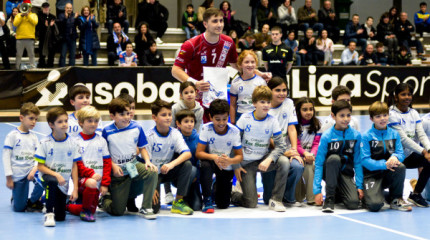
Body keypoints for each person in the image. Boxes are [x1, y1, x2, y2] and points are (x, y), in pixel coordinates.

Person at [172, 8, 241, 123]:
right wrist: (195, 83)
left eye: (221, 21)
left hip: (218, 97)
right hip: (197, 97)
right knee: (196, 133)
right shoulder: (191, 44)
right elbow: (175, 70)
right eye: (215, 21)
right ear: (205, 24)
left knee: (218, 132)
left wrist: (258, 73)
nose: (219, 25)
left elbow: (237, 65)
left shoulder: (228, 42)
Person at [231, 85, 289, 211]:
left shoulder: (272, 121)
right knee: (251, 203)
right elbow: (233, 144)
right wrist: (236, 166)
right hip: (246, 165)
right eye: (262, 102)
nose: (266, 105)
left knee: (284, 161)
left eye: (268, 102)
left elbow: (281, 146)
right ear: (254, 103)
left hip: (263, 160)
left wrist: (269, 159)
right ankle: (233, 194)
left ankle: (276, 200)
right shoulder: (245, 119)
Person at [100, 98, 158, 218]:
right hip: (117, 171)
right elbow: (104, 154)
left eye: (128, 113)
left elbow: (142, 148)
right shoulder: (107, 131)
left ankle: (146, 208)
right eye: (122, 114)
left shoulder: (137, 127)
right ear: (112, 116)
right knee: (118, 211)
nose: (126, 117)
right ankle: (105, 199)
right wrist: (113, 166)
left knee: (152, 172)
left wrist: (147, 161)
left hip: (133, 166)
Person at [361, 101, 411, 212]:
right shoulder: (366, 136)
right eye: (378, 116)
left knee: (400, 166)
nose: (382, 119)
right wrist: (384, 164)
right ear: (371, 119)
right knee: (375, 205)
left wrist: (395, 157)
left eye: (385, 115)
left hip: (387, 173)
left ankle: (396, 199)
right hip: (371, 175)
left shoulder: (394, 133)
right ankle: (371, 195)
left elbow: (400, 153)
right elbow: (364, 160)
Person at [146, 100, 194, 215]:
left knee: (187, 164)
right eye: (163, 115)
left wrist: (171, 164)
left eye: (169, 114)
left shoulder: (175, 133)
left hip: (167, 170)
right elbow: (145, 163)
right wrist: (149, 187)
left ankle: (178, 202)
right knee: (154, 209)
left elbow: (187, 153)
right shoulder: (149, 136)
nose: (168, 118)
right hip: (153, 174)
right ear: (154, 117)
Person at [314, 100, 363, 213]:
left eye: (348, 115)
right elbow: (319, 163)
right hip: (330, 170)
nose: (346, 119)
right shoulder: (327, 136)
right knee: (334, 158)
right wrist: (317, 190)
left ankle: (339, 193)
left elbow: (358, 162)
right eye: (342, 115)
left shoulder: (356, 135)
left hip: (345, 173)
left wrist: (359, 186)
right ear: (333, 116)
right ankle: (330, 198)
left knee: (353, 204)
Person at [35, 107, 80, 227]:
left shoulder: (73, 143)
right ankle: (49, 214)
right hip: (47, 177)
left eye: (66, 121)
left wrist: (75, 188)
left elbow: (74, 167)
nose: (64, 124)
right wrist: (56, 174)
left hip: (63, 183)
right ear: (51, 124)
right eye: (60, 122)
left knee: (60, 217)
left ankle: (49, 200)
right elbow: (40, 166)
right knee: (51, 181)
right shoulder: (45, 143)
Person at [196, 99, 243, 213]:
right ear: (210, 117)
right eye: (217, 119)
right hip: (212, 162)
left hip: (226, 165)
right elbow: (199, 153)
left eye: (224, 119)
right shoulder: (206, 128)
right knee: (205, 165)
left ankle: (216, 186)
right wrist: (215, 157)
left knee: (223, 204)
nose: (221, 123)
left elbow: (239, 156)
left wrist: (230, 161)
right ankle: (207, 198)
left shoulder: (234, 131)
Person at [262, 77, 303, 207]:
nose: (282, 93)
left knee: (297, 166)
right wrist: (283, 151)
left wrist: (294, 150)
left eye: (284, 90)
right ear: (269, 91)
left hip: (285, 148)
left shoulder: (289, 103)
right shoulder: (264, 107)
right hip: (268, 149)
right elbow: (266, 138)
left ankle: (287, 196)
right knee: (267, 199)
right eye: (277, 90)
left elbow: (291, 128)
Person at [388, 82, 430, 207]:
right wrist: (423, 152)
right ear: (396, 97)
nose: (407, 97)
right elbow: (403, 139)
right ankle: (394, 195)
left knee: (428, 161)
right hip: (394, 155)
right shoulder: (391, 114)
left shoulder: (414, 113)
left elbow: (421, 134)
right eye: (403, 94)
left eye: (409, 94)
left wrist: (429, 149)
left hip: (409, 155)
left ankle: (416, 194)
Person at [67, 106, 112, 222]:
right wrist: (91, 174)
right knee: (91, 184)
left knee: (92, 209)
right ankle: (85, 212)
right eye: (89, 121)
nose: (93, 124)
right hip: (83, 180)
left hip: (97, 182)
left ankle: (66, 205)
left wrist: (105, 183)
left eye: (96, 121)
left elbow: (107, 163)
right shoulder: (75, 141)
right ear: (80, 122)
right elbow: (78, 165)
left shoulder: (101, 141)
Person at [3, 102, 44, 212]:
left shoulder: (34, 137)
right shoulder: (12, 136)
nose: (34, 122)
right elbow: (6, 157)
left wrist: (35, 168)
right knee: (20, 208)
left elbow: (38, 156)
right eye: (31, 118)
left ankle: (33, 201)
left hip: (31, 170)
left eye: (36, 119)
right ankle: (16, 198)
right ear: (21, 118)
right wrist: (9, 178)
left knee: (43, 179)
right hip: (18, 173)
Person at [293, 97, 321, 205]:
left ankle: (311, 198)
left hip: (311, 156)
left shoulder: (318, 124)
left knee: (311, 167)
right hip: (298, 155)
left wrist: (311, 154)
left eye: (311, 109)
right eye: (305, 110)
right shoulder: (294, 125)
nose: (308, 112)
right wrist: (304, 153)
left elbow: (316, 143)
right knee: (298, 167)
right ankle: (299, 195)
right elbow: (296, 143)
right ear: (298, 111)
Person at [175, 110, 202, 211]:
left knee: (197, 207)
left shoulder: (199, 138)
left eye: (192, 121)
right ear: (178, 123)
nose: (189, 124)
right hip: (178, 176)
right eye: (186, 121)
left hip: (194, 178)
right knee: (190, 167)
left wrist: (197, 177)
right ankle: (181, 197)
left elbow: (200, 161)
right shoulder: (174, 137)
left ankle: (194, 191)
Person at [230, 50, 267, 124]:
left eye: (252, 62)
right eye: (246, 62)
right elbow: (232, 105)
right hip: (240, 117)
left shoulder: (261, 82)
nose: (250, 65)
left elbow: (265, 104)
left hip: (257, 116)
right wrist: (233, 122)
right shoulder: (235, 83)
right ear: (240, 64)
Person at [13, 0, 37, 69]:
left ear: (31, 8)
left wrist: (28, 15)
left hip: (30, 38)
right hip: (20, 38)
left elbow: (35, 22)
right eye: (26, 6)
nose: (27, 8)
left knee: (31, 55)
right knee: (18, 55)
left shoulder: (34, 15)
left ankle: (33, 69)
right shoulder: (18, 15)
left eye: (29, 7)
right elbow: (15, 23)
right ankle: (17, 69)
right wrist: (22, 15)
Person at [36, 2, 57, 68]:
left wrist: (51, 26)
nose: (46, 9)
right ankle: (42, 68)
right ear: (42, 8)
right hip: (42, 38)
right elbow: (37, 28)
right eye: (44, 8)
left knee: (51, 55)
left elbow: (55, 29)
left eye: (47, 7)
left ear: (49, 8)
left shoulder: (53, 16)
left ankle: (50, 67)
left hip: (51, 39)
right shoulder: (38, 16)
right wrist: (44, 26)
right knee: (42, 55)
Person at [57, 3, 78, 67]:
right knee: (63, 55)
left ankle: (71, 70)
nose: (69, 9)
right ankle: (62, 70)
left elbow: (77, 24)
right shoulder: (61, 15)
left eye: (70, 8)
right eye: (68, 8)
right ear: (65, 8)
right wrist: (66, 18)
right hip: (64, 38)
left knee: (72, 55)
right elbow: (61, 26)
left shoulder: (75, 15)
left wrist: (76, 18)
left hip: (72, 38)